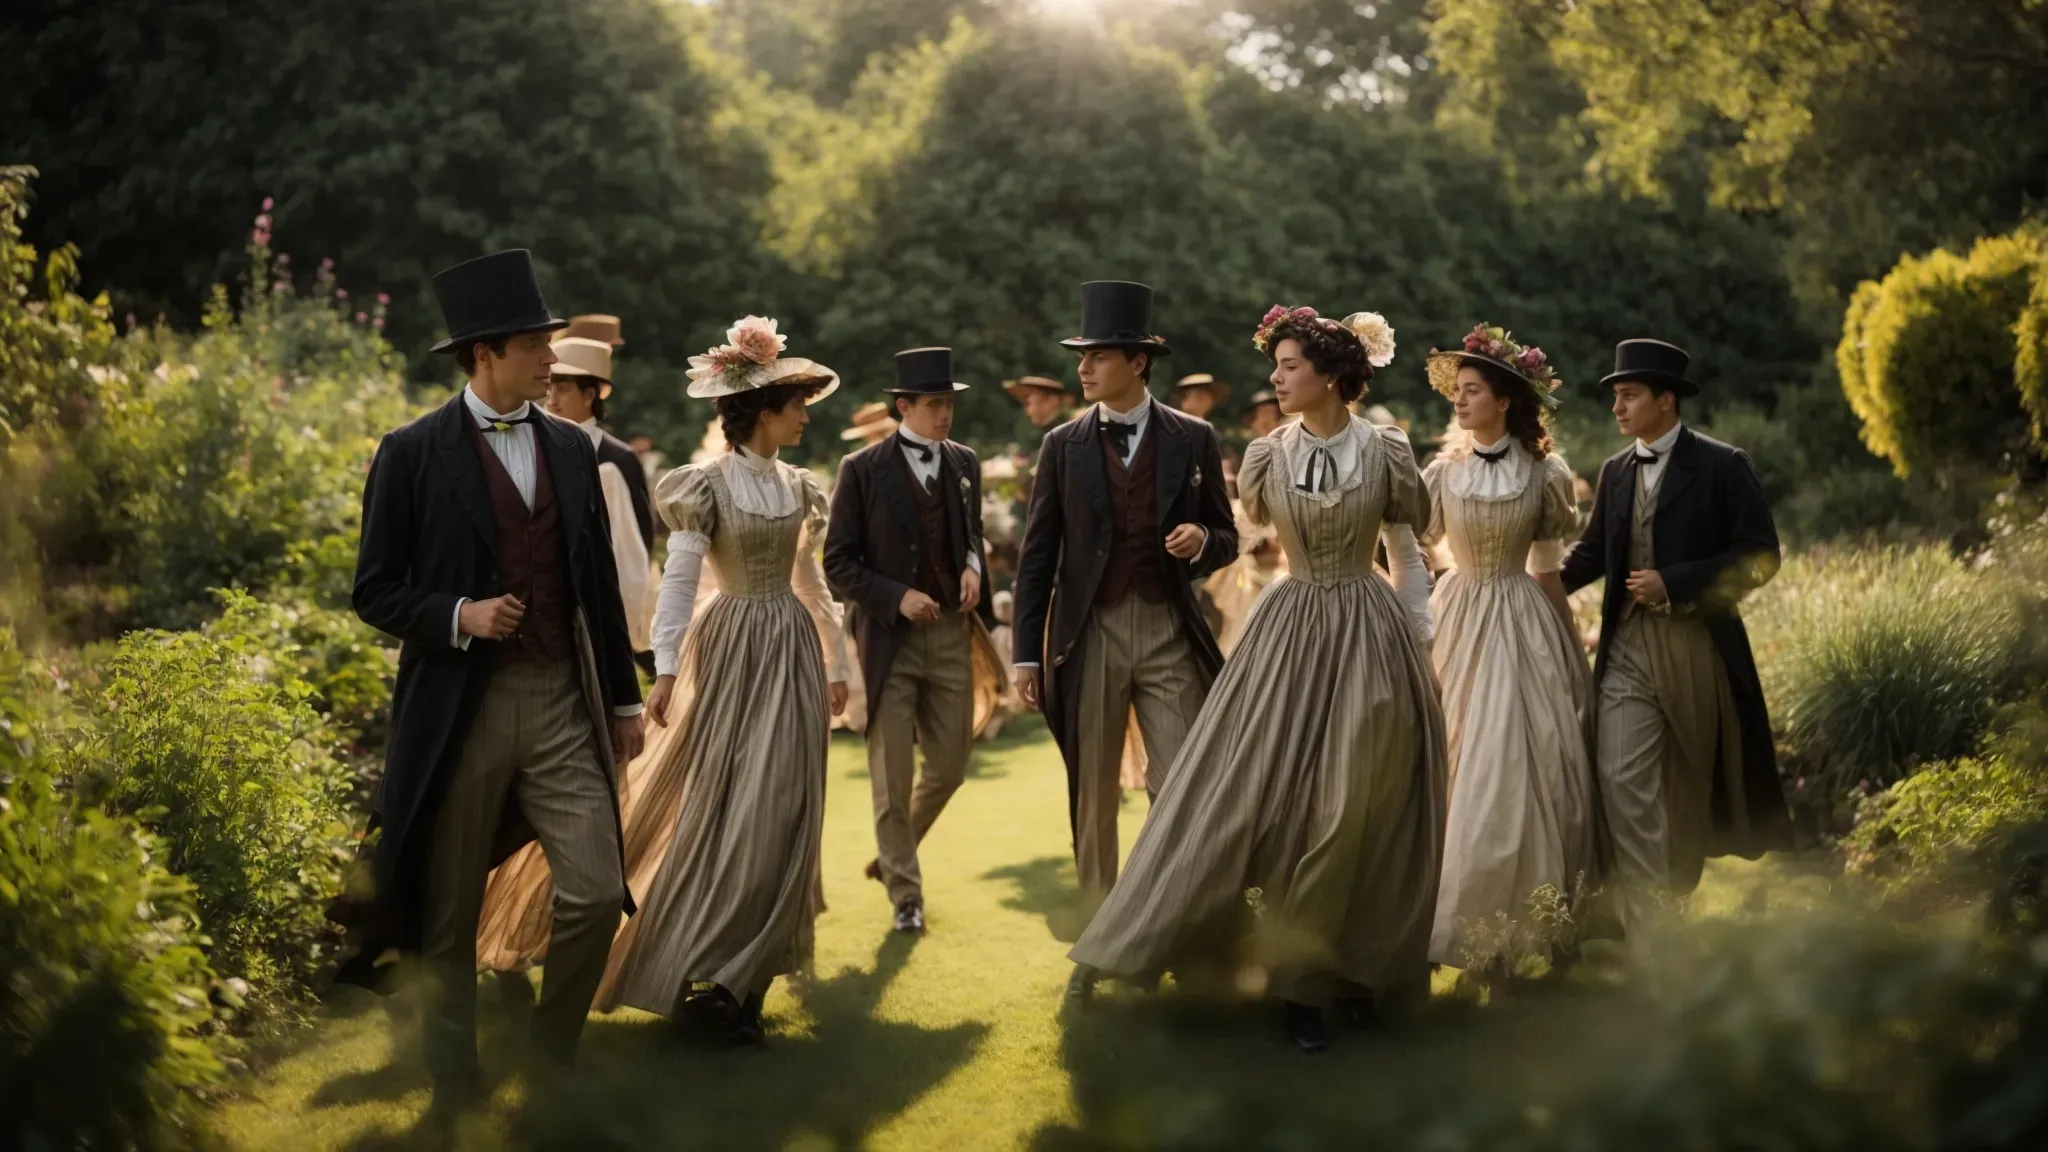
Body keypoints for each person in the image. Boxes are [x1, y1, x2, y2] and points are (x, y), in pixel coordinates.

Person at [1065, 305, 1441, 1054]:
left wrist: (1417, 635)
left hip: (1369, 632)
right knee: (1257, 804)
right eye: (1278, 365)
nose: (1275, 378)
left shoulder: (1388, 451)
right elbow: (1247, 537)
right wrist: (1203, 539)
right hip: (1290, 630)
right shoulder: (1267, 455)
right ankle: (1290, 982)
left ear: (1332, 377)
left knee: (1359, 810)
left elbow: (1406, 549)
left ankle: (1358, 974)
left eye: (1290, 366)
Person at [337, 250, 643, 1126]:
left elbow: (590, 589)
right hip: (459, 712)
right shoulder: (410, 453)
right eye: (536, 346)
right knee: (449, 913)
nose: (554, 360)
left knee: (592, 892)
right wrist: (460, 614)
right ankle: (453, 1077)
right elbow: (373, 589)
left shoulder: (572, 451)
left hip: (559, 701)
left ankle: (551, 1054)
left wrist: (622, 703)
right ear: (483, 356)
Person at [592, 315, 851, 1045]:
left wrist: (835, 661)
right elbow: (678, 583)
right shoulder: (703, 485)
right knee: (729, 809)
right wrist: (667, 669)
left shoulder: (800, 487)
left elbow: (813, 583)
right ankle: (703, 973)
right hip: (731, 646)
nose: (806, 414)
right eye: (796, 403)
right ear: (762, 410)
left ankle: (746, 983)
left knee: (788, 810)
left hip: (791, 652)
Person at [1012, 280, 1238, 910]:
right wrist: (1026, 654)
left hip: (1170, 632)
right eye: (1082, 357)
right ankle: (1099, 927)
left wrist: (1202, 539)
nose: (1083, 368)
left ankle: (1165, 915)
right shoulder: (1061, 446)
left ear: (1138, 362)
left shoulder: (1195, 437)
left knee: (1180, 785)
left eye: (1099, 356)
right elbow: (1037, 559)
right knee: (1093, 794)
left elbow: (1228, 536)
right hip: (1090, 636)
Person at [1560, 338, 1790, 932]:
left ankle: (1670, 913)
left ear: (1667, 400)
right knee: (1619, 777)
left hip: (1697, 650)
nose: (1618, 408)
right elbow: (1588, 557)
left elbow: (1761, 556)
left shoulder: (1722, 465)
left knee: (1688, 795)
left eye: (1629, 396)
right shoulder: (1614, 471)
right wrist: (1510, 584)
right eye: (1615, 396)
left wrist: (1678, 581)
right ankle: (1649, 937)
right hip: (1627, 651)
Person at [1419, 325, 1601, 967]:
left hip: (1522, 618)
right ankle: (1451, 916)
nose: (1461, 403)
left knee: (1529, 765)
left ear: (1504, 400)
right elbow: (1412, 552)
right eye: (1458, 393)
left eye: (1473, 392)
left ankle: (1532, 924)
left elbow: (1548, 568)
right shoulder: (1442, 473)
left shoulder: (1544, 473)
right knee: (1455, 760)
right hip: (1459, 614)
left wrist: (1572, 650)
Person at [824, 347, 1003, 934]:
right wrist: (895, 596)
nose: (946, 414)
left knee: (950, 767)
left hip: (953, 635)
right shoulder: (861, 469)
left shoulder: (965, 462)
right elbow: (837, 564)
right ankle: (906, 894)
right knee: (891, 778)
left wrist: (975, 563)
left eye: (950, 402)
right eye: (934, 404)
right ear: (904, 406)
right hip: (889, 645)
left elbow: (970, 531)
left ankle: (891, 855)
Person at [546, 335, 655, 672]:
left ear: (589, 394)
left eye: (562, 389)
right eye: (549, 388)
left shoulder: (618, 457)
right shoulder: (540, 446)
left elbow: (639, 538)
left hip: (602, 601)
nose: (552, 399)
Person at [1005, 374, 1075, 432]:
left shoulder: (1077, 425)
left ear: (1052, 399)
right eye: (1025, 405)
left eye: (1028, 403)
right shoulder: (1054, 430)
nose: (1027, 411)